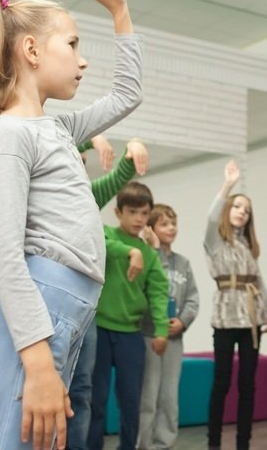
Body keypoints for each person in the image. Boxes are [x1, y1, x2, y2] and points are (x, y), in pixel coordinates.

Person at [0, 0, 143, 450]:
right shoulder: (9, 135)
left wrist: (121, 14)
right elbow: (4, 257)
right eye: (73, 44)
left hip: (64, 312)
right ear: (32, 50)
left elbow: (128, 95)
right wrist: (39, 363)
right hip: (37, 313)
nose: (83, 61)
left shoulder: (57, 130)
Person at [67, 136, 150, 450]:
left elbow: (120, 175)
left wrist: (133, 146)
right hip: (49, 303)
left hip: (85, 311)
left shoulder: (87, 196)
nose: (77, 168)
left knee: (83, 391)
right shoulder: (40, 196)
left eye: (81, 163)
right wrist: (93, 139)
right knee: (59, 389)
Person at [88, 181, 168, 450]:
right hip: (98, 330)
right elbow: (103, 243)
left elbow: (158, 294)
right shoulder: (105, 234)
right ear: (118, 212)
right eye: (132, 212)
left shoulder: (151, 256)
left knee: (131, 401)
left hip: (131, 335)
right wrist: (130, 251)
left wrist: (161, 330)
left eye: (144, 213)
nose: (138, 219)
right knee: (95, 399)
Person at [203, 160, 267, 450]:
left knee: (247, 385)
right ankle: (214, 444)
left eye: (247, 209)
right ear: (228, 210)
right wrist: (228, 186)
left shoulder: (249, 246)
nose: (242, 211)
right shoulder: (216, 241)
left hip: (252, 322)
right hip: (225, 319)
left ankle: (244, 444)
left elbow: (259, 280)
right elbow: (211, 218)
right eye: (237, 206)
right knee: (222, 383)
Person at [138, 204, 199, 450]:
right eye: (164, 224)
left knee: (169, 396)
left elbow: (193, 299)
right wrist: (152, 249)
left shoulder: (183, 263)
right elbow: (148, 288)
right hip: (149, 336)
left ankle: (164, 443)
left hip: (174, 339)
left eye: (173, 223)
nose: (171, 228)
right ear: (150, 228)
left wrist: (182, 321)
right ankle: (143, 443)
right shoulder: (145, 258)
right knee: (148, 395)